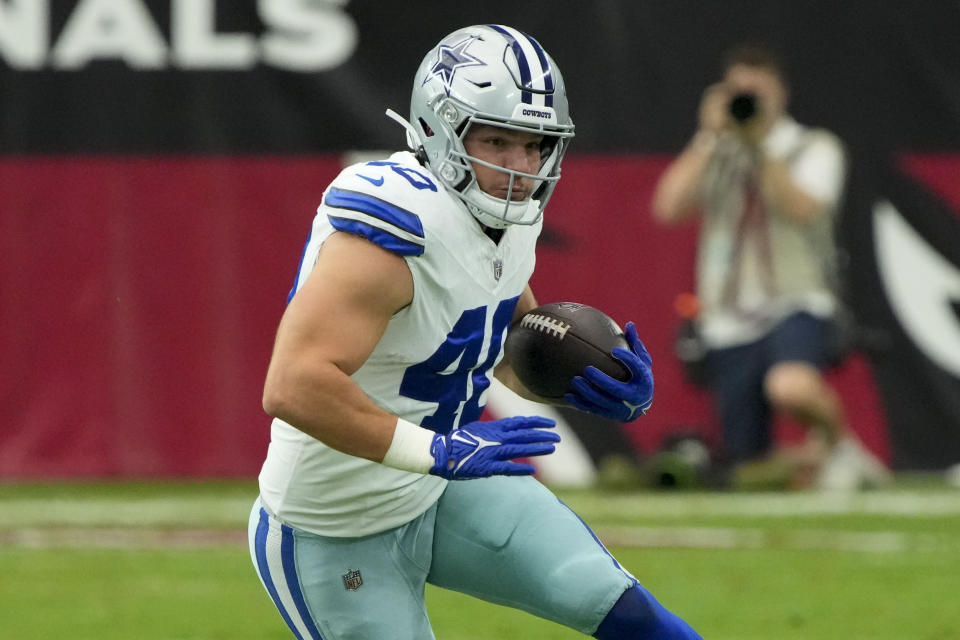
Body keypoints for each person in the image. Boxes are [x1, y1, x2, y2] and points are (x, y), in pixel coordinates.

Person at [248, 24, 702, 640]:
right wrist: (436, 450)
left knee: (628, 615)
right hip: (333, 525)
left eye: (535, 144)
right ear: (440, 129)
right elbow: (293, 386)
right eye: (497, 141)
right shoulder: (394, 229)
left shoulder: (508, 215)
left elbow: (505, 346)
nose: (518, 167)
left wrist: (589, 380)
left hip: (439, 489)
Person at [651, 44, 889, 490]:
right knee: (746, 464)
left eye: (757, 92)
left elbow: (801, 209)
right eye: (739, 92)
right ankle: (825, 458)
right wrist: (708, 136)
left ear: (780, 92)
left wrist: (760, 146)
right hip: (726, 315)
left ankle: (840, 443)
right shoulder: (716, 149)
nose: (748, 101)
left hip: (794, 298)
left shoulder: (814, 147)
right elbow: (667, 208)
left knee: (791, 385)